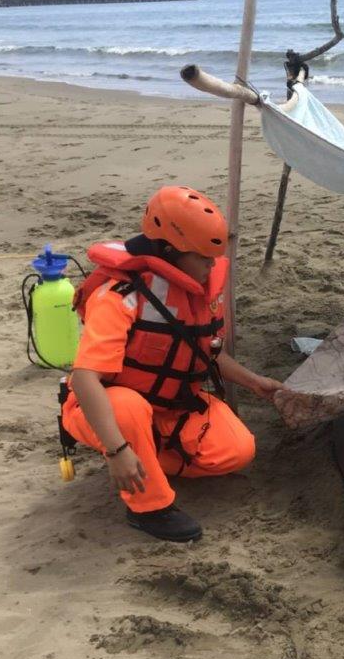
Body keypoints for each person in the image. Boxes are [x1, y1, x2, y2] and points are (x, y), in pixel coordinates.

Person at [60, 186, 284, 542]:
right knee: (129, 409)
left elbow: (205, 351)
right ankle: (148, 507)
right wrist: (118, 451)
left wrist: (255, 382)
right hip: (108, 406)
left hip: (171, 407)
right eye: (203, 258)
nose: (212, 266)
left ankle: (143, 457)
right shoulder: (120, 296)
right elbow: (86, 379)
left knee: (237, 452)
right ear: (169, 250)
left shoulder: (196, 289)